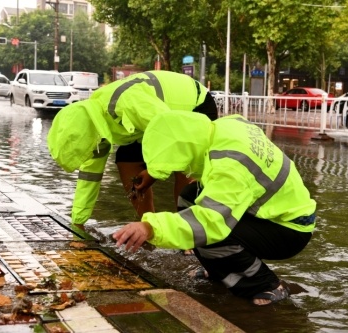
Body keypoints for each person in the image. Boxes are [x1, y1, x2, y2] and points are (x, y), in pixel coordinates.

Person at [112, 111, 317, 306]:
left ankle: (266, 284)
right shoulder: (225, 126)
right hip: (272, 210)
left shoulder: (230, 166)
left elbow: (208, 222)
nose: (183, 169)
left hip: (289, 228)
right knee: (190, 196)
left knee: (207, 233)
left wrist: (150, 227)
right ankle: (218, 270)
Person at [47, 70, 218, 234]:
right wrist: (78, 225)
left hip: (193, 106)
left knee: (185, 166)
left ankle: (188, 235)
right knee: (126, 161)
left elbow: (171, 134)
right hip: (150, 122)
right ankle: (150, 230)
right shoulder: (92, 125)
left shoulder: (128, 103)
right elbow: (88, 178)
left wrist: (153, 173)